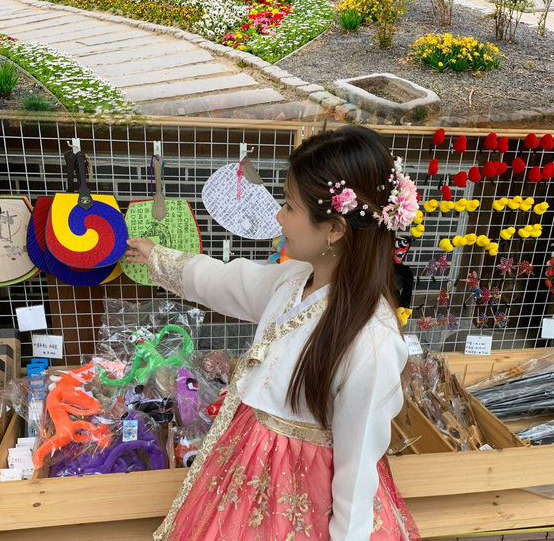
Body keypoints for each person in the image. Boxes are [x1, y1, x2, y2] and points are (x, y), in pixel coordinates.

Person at [126, 125, 421, 541]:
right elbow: (228, 282)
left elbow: (357, 473)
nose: (279, 217)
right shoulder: (295, 280)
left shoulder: (370, 340)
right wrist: (159, 259)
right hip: (242, 472)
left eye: (289, 207)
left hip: (300, 503)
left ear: (335, 229)